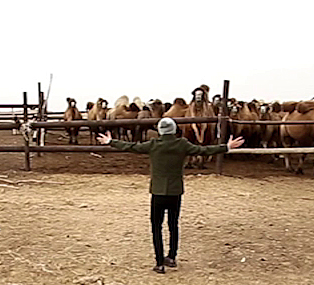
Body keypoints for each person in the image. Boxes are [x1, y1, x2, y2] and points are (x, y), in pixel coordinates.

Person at [97, 117, 244, 273]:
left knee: (156, 227)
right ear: (174, 130)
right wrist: (226, 147)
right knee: (173, 225)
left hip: (158, 192)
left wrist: (111, 141)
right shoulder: (182, 144)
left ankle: (159, 262)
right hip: (175, 192)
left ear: (160, 130)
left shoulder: (153, 144)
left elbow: (131, 146)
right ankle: (172, 257)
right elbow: (204, 150)